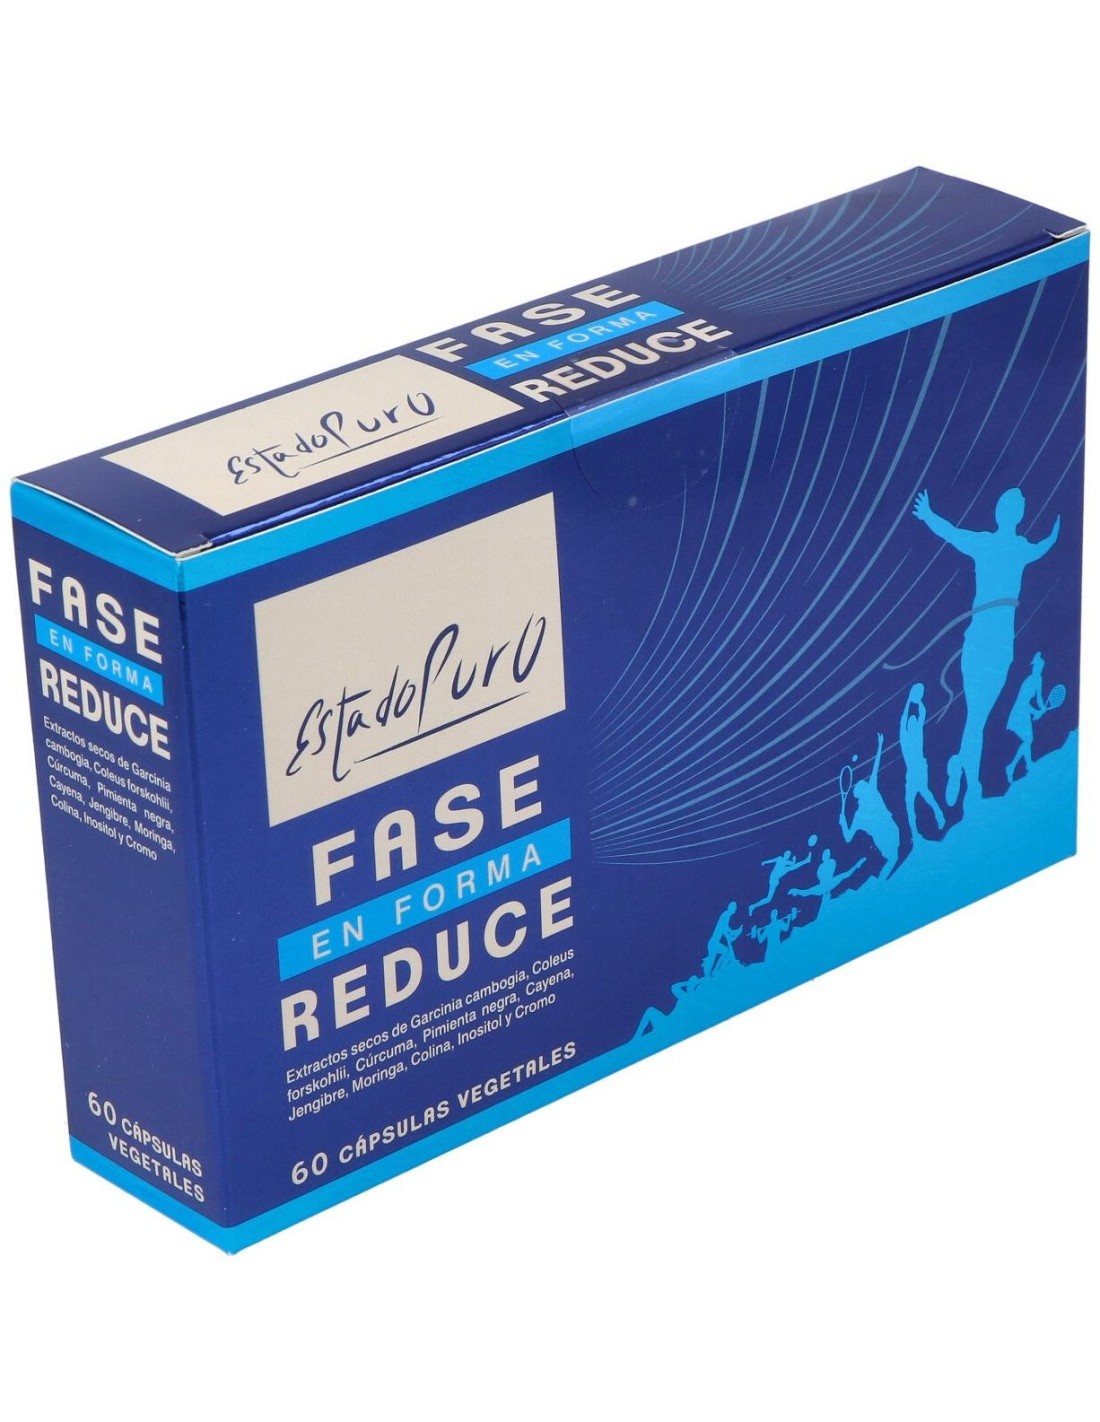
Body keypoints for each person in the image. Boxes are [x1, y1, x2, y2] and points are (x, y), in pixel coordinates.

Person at [913, 487, 1059, 807]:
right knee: (977, 716)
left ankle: (960, 767)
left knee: (977, 716)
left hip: (994, 644)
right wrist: (928, 516)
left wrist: (928, 515)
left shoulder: (1006, 546)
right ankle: (971, 781)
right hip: (986, 642)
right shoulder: (1010, 547)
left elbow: (952, 532)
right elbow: (1042, 547)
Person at [839, 732, 900, 877]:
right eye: (864, 784)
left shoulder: (859, 813)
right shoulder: (871, 793)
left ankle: (883, 878)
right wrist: (880, 745)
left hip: (890, 834)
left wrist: (843, 823)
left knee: (893, 858)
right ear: (863, 792)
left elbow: (847, 837)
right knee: (893, 858)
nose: (866, 782)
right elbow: (875, 769)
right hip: (890, 834)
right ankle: (884, 879)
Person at [899, 682, 945, 842]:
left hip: (916, 770)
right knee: (923, 795)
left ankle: (915, 829)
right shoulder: (913, 736)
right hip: (917, 769)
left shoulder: (909, 737)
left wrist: (912, 701)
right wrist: (912, 701)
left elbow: (907, 720)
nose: (912, 721)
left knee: (913, 800)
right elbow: (906, 719)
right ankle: (939, 816)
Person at [1006, 653, 1047, 784]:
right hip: (1019, 712)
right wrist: (1035, 712)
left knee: (1028, 740)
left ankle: (1021, 765)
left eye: (1039, 667)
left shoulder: (1038, 679)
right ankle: (1017, 765)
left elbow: (1039, 698)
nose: (1037, 669)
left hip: (1025, 712)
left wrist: (1042, 709)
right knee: (1028, 740)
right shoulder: (1029, 681)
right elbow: (1022, 702)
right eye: (1036, 666)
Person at [789, 846, 866, 903]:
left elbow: (831, 873)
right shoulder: (822, 867)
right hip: (823, 886)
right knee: (808, 891)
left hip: (829, 883)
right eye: (824, 854)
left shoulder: (831, 862)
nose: (825, 855)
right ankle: (795, 891)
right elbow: (819, 878)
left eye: (827, 854)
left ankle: (857, 864)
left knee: (845, 875)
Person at [749, 847, 812, 914]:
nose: (788, 855)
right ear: (784, 854)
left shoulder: (787, 861)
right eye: (787, 854)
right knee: (790, 868)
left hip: (776, 880)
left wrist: (794, 860)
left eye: (789, 855)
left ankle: (753, 906)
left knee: (768, 899)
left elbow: (793, 863)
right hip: (773, 878)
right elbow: (772, 860)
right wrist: (765, 862)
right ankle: (806, 861)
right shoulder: (780, 858)